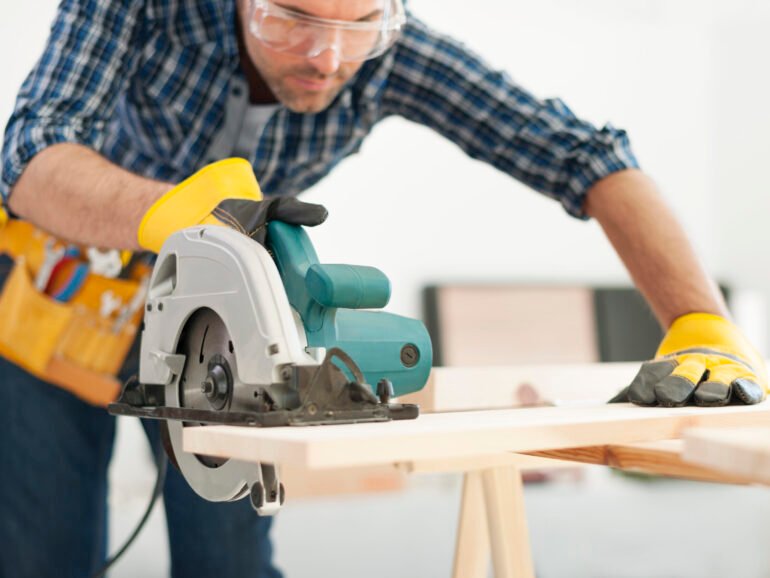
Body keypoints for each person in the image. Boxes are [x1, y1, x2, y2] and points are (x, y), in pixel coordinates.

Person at [0, 0, 765, 576]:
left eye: (361, 24)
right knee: (43, 551)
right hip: (58, 282)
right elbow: (27, 151)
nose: (327, 58)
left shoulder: (393, 55)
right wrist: (163, 212)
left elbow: (586, 155)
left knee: (229, 556)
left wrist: (700, 320)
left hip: (221, 314)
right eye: (292, 19)